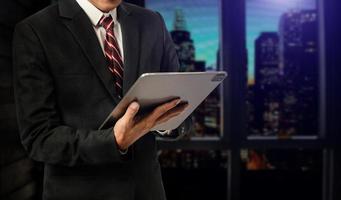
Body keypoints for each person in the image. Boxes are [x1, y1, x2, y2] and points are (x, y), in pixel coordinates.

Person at [13, 0, 191, 199]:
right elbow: (39, 138)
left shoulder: (152, 22)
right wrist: (114, 141)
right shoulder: (36, 30)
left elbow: (181, 104)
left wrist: (165, 121)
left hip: (146, 192)